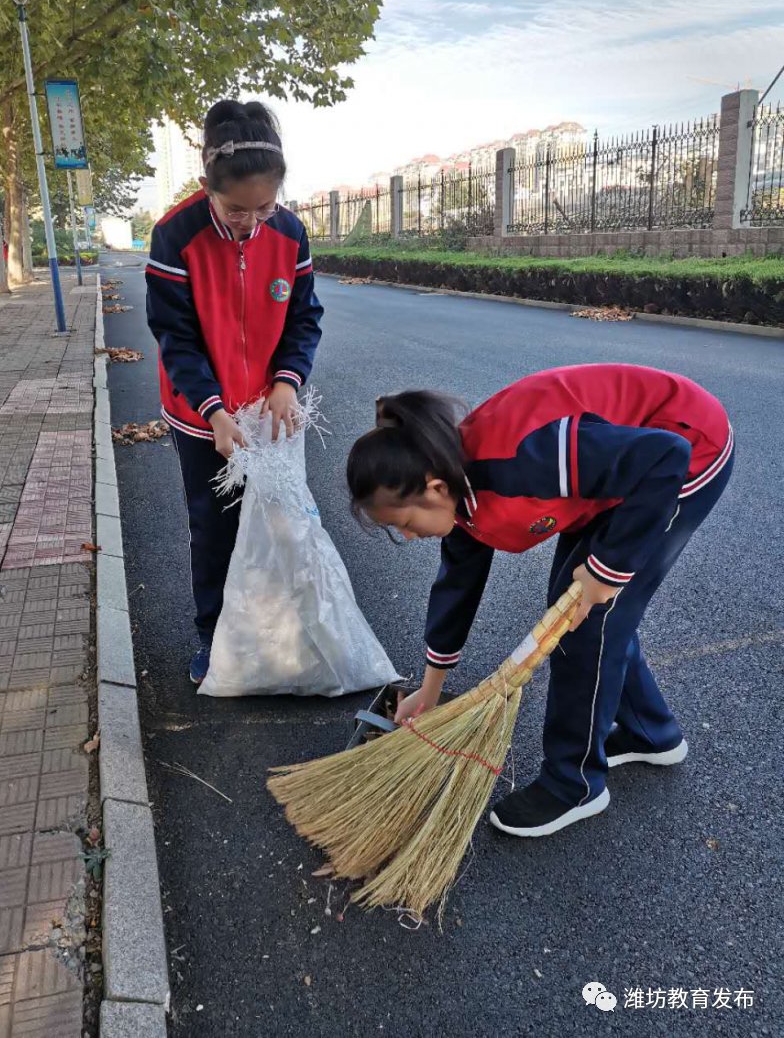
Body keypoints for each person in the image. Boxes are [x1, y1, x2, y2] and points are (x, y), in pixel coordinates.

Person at [346, 364, 734, 838]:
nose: (407, 534)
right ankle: (650, 731)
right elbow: (457, 587)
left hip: (684, 453)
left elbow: (664, 456)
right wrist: (430, 691)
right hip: (616, 475)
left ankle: (574, 784)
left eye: (403, 521)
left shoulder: (518, 461)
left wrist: (607, 570)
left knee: (586, 623)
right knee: (580, 611)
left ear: (435, 489)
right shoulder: (459, 489)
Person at [146, 100, 323, 685]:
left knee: (279, 521)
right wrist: (215, 410)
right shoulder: (176, 236)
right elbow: (176, 337)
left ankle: (277, 633)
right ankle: (214, 636)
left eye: (265, 208)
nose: (251, 222)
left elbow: (303, 319)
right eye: (236, 209)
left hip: (269, 409)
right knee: (216, 525)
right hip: (204, 417)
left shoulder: (291, 234)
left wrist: (286, 382)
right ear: (207, 187)